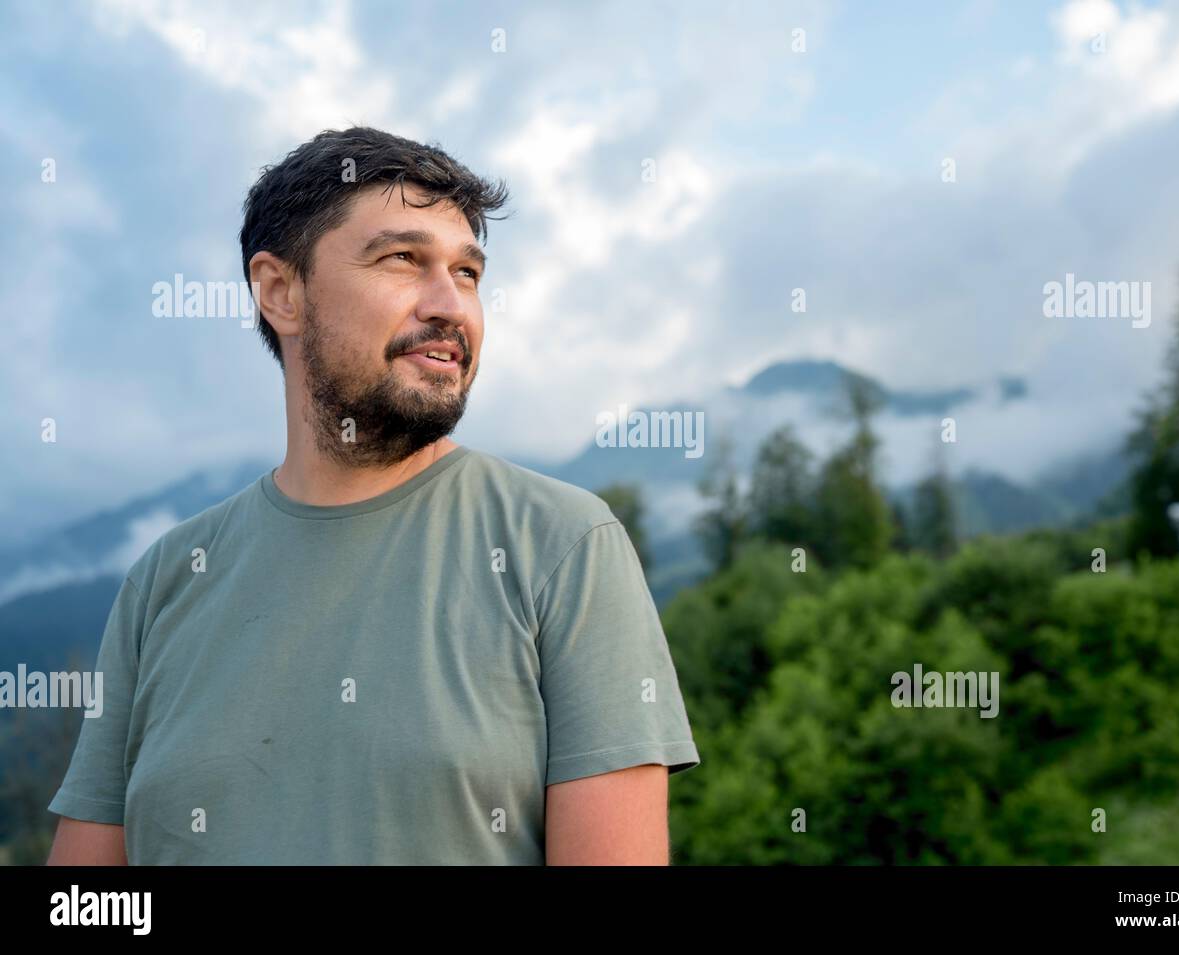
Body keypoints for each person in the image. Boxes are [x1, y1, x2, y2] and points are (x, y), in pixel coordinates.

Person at [46, 126, 700, 865]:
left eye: (468, 273)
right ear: (280, 292)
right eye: (403, 259)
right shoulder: (164, 580)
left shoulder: (565, 547)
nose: (451, 305)